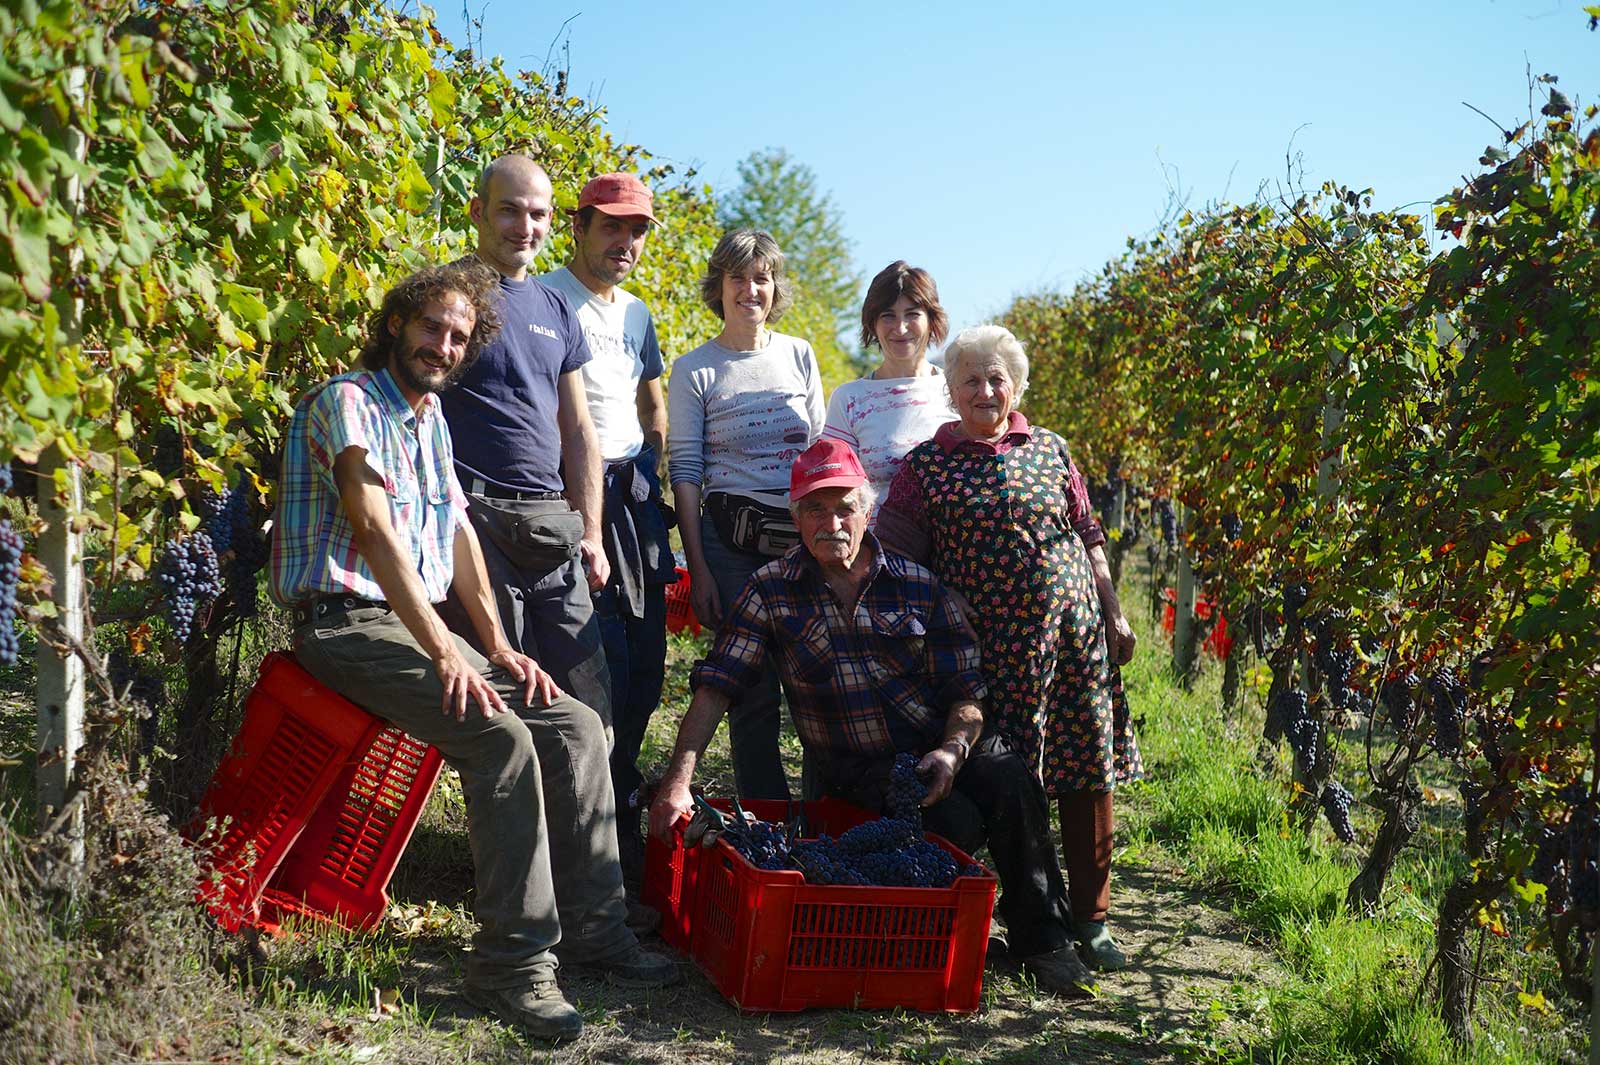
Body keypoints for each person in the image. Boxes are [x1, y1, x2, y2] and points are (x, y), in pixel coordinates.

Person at [270, 264, 676, 1045]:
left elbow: (456, 540)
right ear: (398, 323)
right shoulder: (348, 402)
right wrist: (445, 650)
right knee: (501, 738)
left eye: (458, 337)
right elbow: (374, 530)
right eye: (432, 328)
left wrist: (493, 646)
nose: (444, 345)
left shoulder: (432, 421)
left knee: (575, 722)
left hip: (415, 623)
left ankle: (596, 928)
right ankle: (512, 962)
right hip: (345, 622)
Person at [647, 438, 1094, 994]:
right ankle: (951, 932)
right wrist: (677, 784)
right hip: (860, 769)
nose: (830, 522)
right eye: (814, 508)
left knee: (1011, 777)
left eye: (843, 507)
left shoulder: (917, 584)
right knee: (953, 825)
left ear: (867, 511)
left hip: (940, 742)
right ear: (796, 517)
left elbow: (967, 691)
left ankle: (1045, 942)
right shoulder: (770, 592)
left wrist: (952, 751)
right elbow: (717, 685)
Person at [876, 324, 1143, 972]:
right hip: (987, 654)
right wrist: (941, 597)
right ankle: (1023, 913)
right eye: (972, 378)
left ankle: (1092, 919)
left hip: (1073, 643)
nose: (986, 390)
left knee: (1086, 774)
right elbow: (893, 558)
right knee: (1011, 783)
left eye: (998, 378)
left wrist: (1112, 607)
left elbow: (1088, 533)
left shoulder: (1051, 450)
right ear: (951, 388)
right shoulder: (927, 465)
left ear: (1015, 387)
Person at [439, 153, 613, 723]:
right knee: (509, 704)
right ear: (477, 213)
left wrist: (590, 530)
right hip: (476, 520)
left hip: (549, 522)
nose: (525, 227)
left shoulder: (557, 306)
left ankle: (591, 814)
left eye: (537, 214)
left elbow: (579, 429)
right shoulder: (447, 298)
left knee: (589, 699)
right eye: (510, 211)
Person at [540, 173, 675, 856]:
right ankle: (579, 836)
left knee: (646, 665)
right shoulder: (545, 298)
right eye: (612, 226)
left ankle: (618, 808)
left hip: (633, 501)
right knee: (597, 665)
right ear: (580, 227)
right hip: (570, 501)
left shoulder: (638, 314)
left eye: (637, 229)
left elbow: (654, 403)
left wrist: (649, 464)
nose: (625, 241)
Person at [666, 228, 825, 800]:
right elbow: (685, 471)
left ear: (775, 287)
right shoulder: (695, 369)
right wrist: (700, 567)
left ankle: (827, 812)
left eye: (762, 278)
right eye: (739, 277)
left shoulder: (798, 354)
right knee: (751, 686)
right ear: (720, 286)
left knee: (816, 679)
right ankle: (767, 814)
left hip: (799, 543)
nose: (750, 289)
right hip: (728, 544)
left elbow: (820, 456)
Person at [822, 261, 956, 502]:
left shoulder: (958, 391)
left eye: (912, 314)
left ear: (931, 319)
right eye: (888, 316)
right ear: (872, 323)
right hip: (875, 538)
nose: (901, 328)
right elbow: (835, 494)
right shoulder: (849, 400)